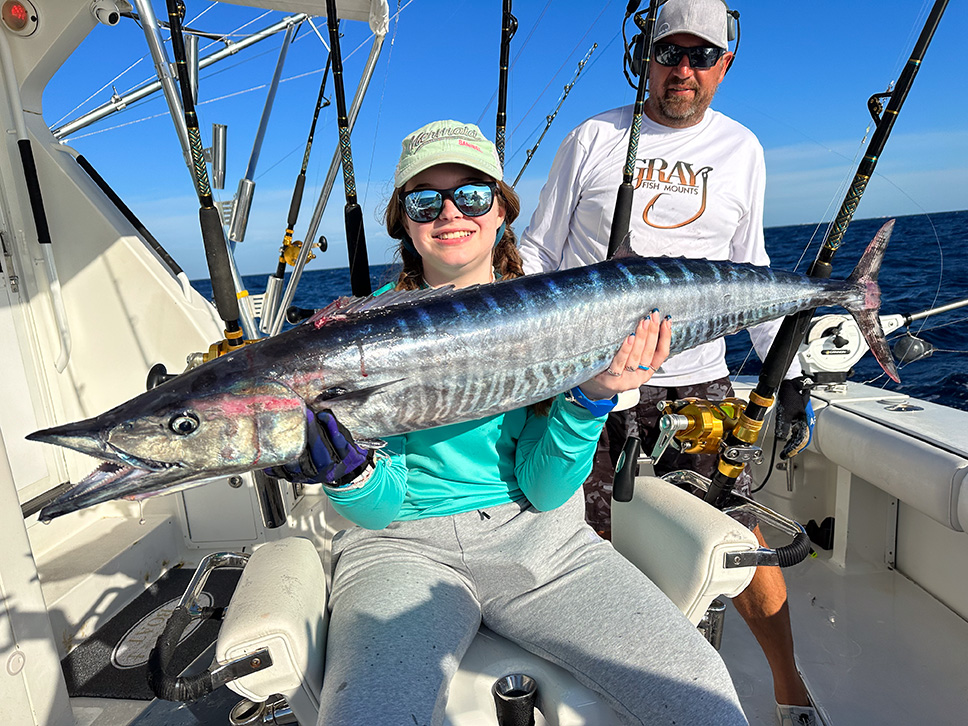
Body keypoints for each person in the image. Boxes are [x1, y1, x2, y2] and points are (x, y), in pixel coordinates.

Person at [268, 119, 748, 726]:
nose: (450, 213)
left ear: (501, 211)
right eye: (425, 201)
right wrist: (350, 476)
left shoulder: (560, 315)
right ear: (403, 223)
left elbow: (545, 491)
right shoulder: (359, 336)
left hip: (544, 545)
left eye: (471, 195)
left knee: (703, 696)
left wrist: (592, 396)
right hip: (398, 554)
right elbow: (382, 510)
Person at [518, 2, 818, 725]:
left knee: (734, 537)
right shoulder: (594, 137)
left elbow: (748, 273)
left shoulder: (743, 148)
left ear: (725, 64)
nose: (683, 69)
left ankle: (790, 688)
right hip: (589, 380)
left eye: (701, 55)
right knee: (582, 541)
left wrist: (790, 372)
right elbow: (539, 253)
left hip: (697, 383)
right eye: (668, 52)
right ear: (643, 57)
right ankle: (617, 694)